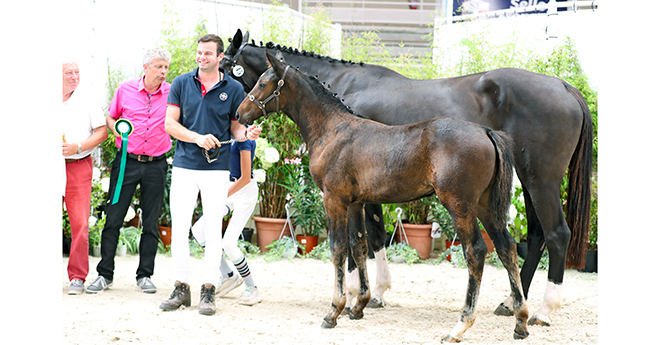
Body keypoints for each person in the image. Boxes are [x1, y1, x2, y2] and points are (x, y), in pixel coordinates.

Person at [159, 34, 261, 316]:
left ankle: (208, 291)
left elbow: (236, 129)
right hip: (184, 165)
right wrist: (196, 138)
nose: (201, 57)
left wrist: (247, 133)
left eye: (208, 53)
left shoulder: (235, 88)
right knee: (179, 229)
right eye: (199, 52)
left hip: (216, 170)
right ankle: (181, 289)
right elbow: (170, 124)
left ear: (219, 58)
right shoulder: (181, 83)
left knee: (213, 231)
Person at [86, 48, 172, 294]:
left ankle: (145, 275)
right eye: (159, 67)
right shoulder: (125, 90)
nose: (163, 72)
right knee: (113, 218)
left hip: (157, 164)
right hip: (127, 161)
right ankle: (105, 275)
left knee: (152, 223)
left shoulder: (172, 92)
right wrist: (117, 131)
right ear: (145, 68)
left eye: (166, 67)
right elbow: (111, 118)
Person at [191, 133, 261, 305]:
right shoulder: (223, 132)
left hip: (244, 191)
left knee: (229, 243)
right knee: (198, 230)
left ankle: (252, 288)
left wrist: (220, 196)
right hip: (227, 186)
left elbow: (245, 178)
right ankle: (228, 275)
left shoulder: (244, 138)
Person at [62, 59, 108, 295]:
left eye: (77, 72)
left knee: (80, 223)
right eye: (68, 72)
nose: (74, 76)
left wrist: (78, 147)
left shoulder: (88, 98)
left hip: (78, 165)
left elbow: (102, 132)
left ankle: (77, 277)